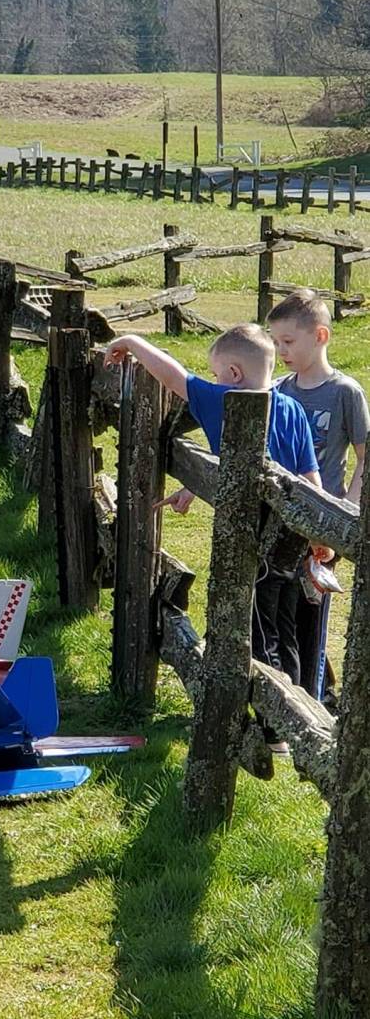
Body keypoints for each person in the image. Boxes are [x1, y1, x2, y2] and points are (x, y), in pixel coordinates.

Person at [104, 324, 321, 747]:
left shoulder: (224, 400)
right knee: (286, 627)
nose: (215, 379)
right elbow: (310, 477)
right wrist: (316, 536)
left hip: (256, 546)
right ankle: (300, 711)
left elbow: (171, 375)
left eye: (218, 372)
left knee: (258, 632)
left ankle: (277, 726)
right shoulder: (292, 408)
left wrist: (132, 341)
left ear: (234, 374)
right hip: (294, 542)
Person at [268, 288, 370, 706]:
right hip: (280, 516)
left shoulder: (345, 392)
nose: (281, 350)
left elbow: (365, 459)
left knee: (312, 609)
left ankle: (316, 694)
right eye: (275, 342)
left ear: (321, 336)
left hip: (324, 525)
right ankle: (292, 687)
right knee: (279, 607)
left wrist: (346, 509)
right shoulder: (277, 389)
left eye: (288, 342)